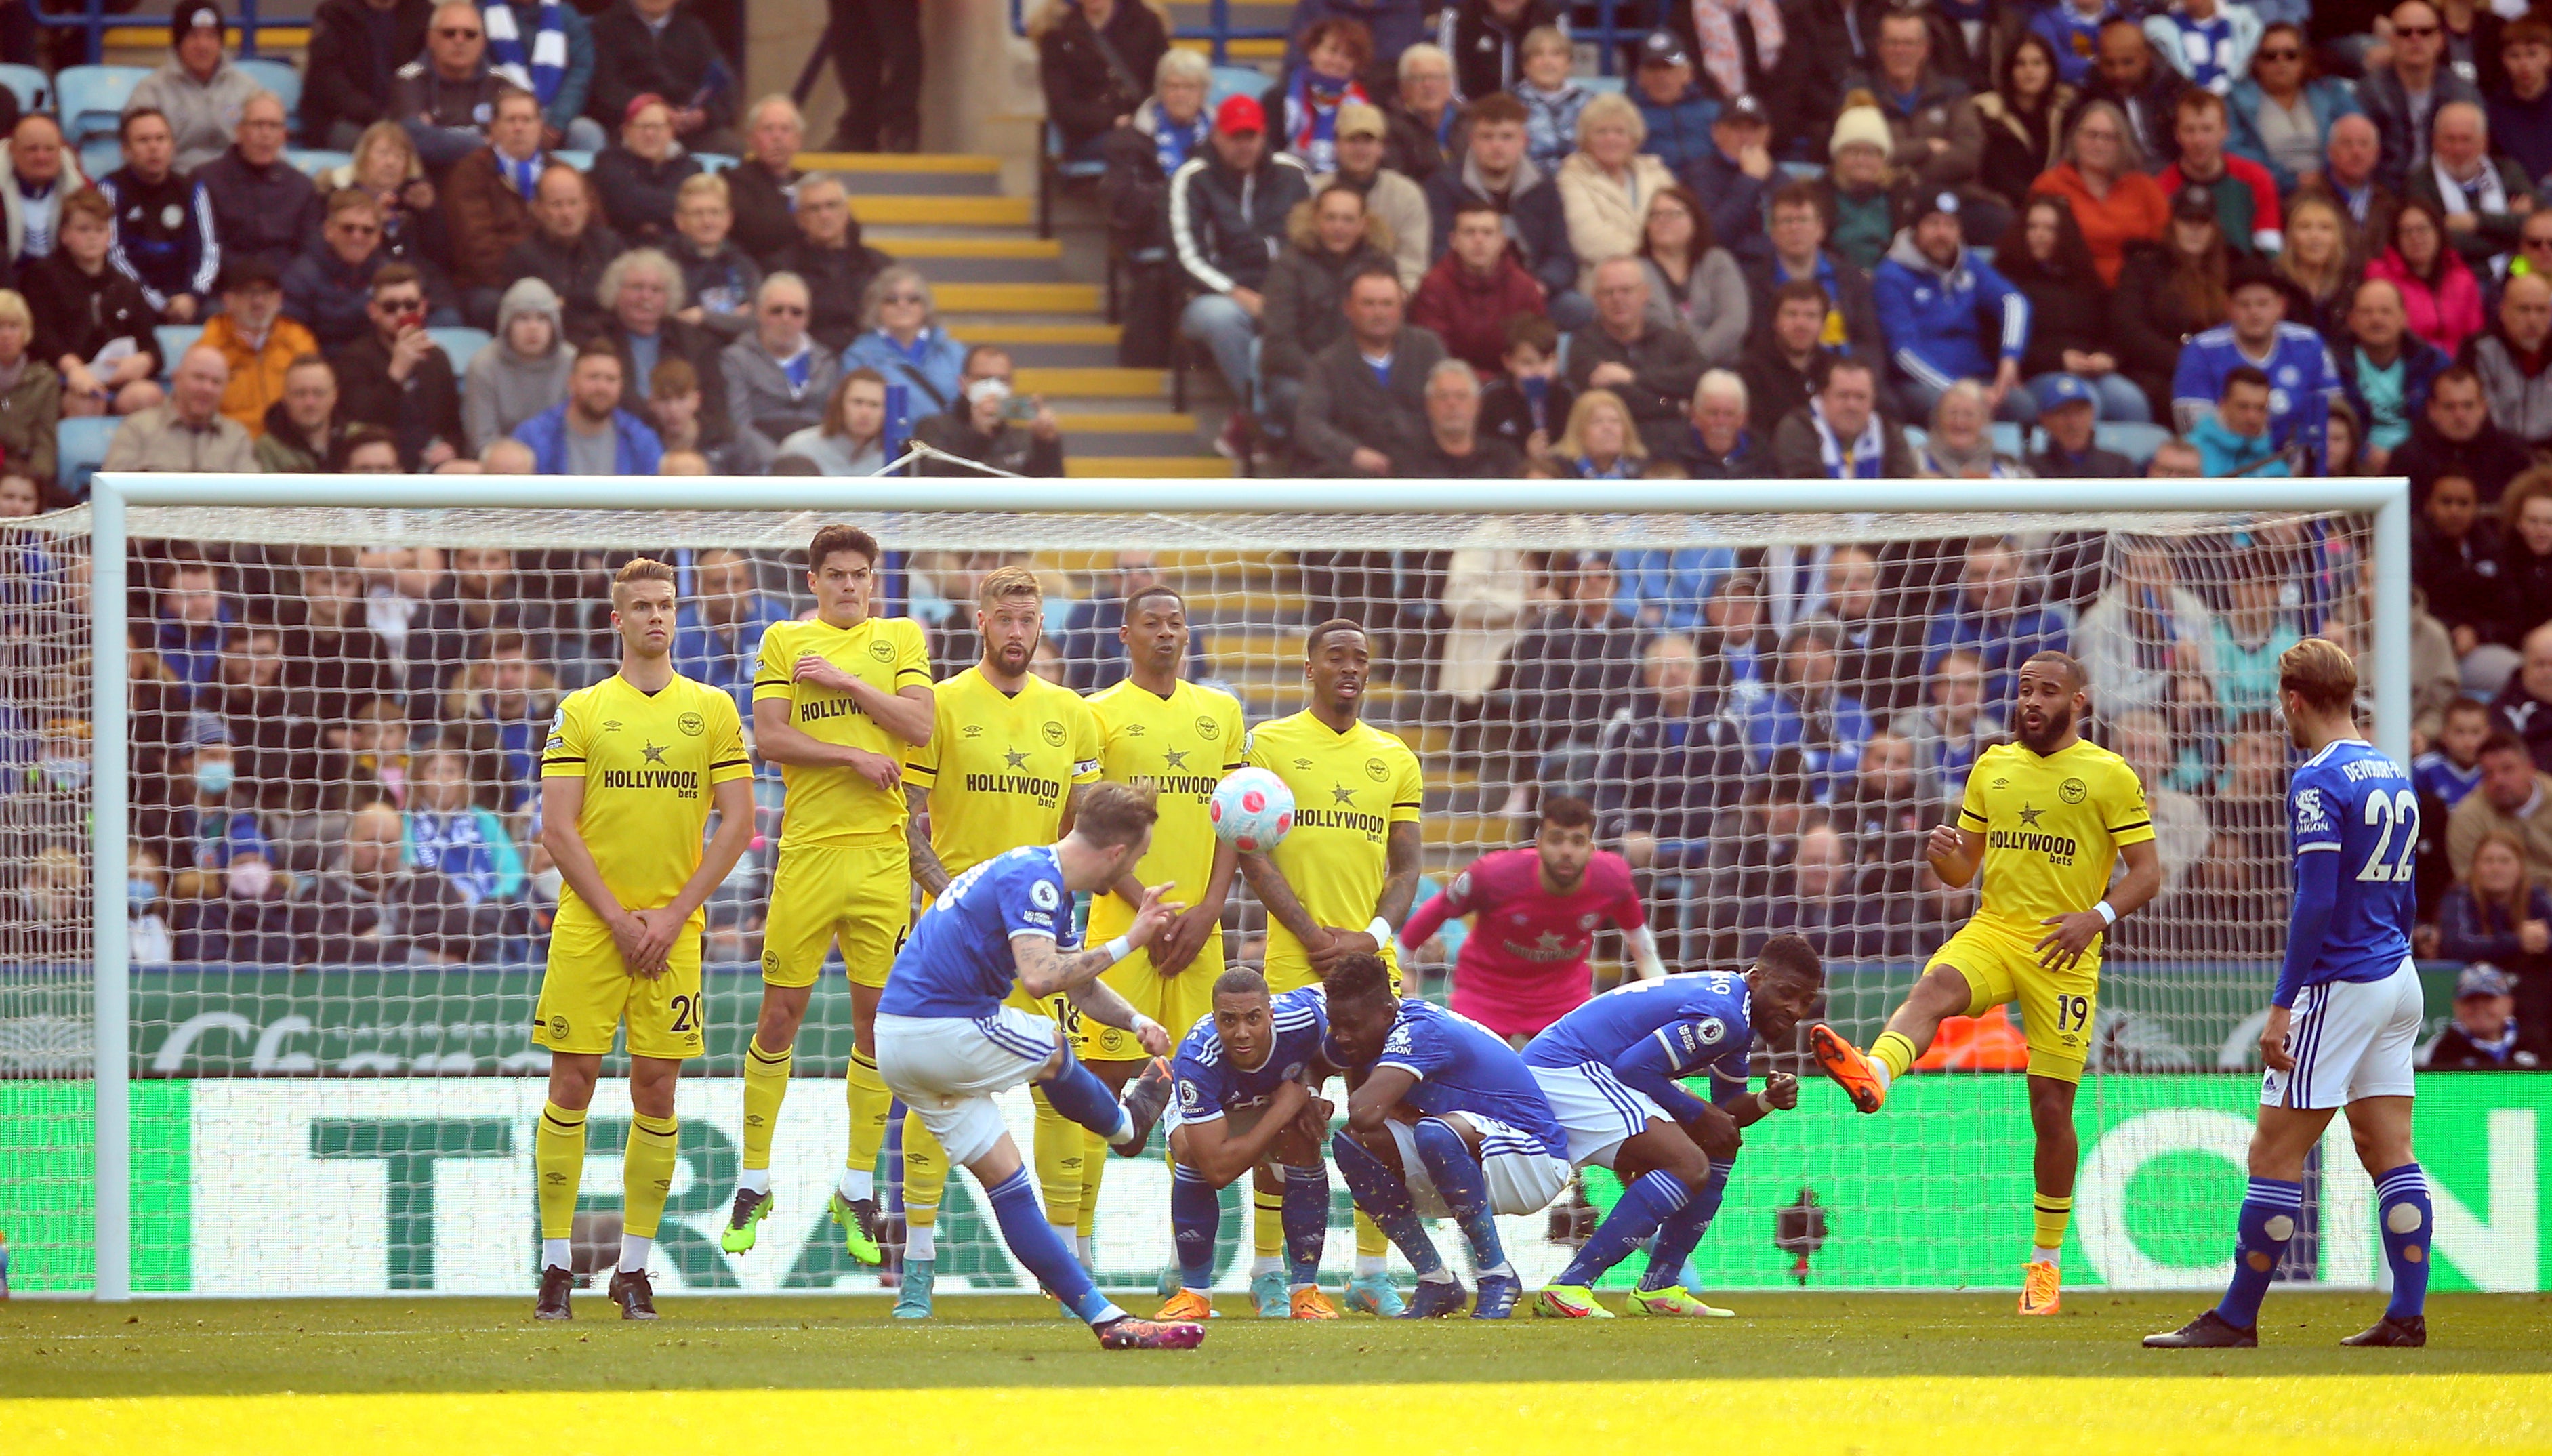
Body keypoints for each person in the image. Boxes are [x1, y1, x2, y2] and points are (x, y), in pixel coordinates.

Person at [1813, 651, 2158, 1316]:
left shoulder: (2108, 776)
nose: (2031, 700)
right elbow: (1962, 869)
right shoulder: (1991, 766)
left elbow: (2147, 871)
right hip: (1996, 928)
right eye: (2025, 688)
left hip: (2064, 948)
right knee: (1934, 987)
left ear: (2077, 703)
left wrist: (2096, 915)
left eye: (2047, 691)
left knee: (2051, 1111)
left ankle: (2047, 1266)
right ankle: (1876, 1074)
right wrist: (1945, 858)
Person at [2145, 640, 2434, 1351]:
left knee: (2272, 1153)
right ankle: (2405, 1314)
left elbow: (2314, 900)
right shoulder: (2391, 771)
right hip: (2397, 978)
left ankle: (2235, 1319)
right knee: (2387, 1147)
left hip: (2343, 981)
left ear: (2295, 699)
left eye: (2281, 702)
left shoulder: (2317, 778)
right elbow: (2404, 890)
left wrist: (2283, 1003)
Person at [867, 774, 1196, 1346]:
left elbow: (1075, 977)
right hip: (938, 1025)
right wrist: (1130, 939)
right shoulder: (1036, 879)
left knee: (1009, 1183)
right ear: (1117, 852)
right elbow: (1042, 978)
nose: (1135, 870)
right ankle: (1126, 1128)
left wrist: (1136, 1020)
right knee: (1051, 1042)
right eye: (1139, 856)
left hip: (903, 1041)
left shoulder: (1043, 879)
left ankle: (1107, 1320)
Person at [526, 557, 752, 1321]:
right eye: (642, 607)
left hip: (674, 931)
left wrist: (674, 912)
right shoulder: (582, 710)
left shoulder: (715, 708)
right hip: (592, 928)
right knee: (573, 1081)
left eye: (667, 605)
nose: (657, 616)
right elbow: (557, 828)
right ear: (616, 619)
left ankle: (633, 1269)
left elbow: (740, 824)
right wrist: (622, 920)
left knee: (657, 1087)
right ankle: (556, 1264)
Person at [709, 524, 933, 1267]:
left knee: (878, 1028)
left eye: (858, 575)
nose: (847, 585)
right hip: (806, 853)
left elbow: (920, 727)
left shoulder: (900, 637)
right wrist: (848, 751)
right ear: (813, 581)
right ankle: (752, 1180)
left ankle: (856, 1187)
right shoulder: (780, 641)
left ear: (873, 581)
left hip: (879, 858)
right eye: (834, 574)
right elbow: (768, 738)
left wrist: (846, 685)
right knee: (780, 1015)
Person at [878, 564, 1099, 1314]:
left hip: (1039, 936)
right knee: (928, 1095)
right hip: (953, 938)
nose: (1016, 631)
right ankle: (918, 1260)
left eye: (1028, 619)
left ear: (1042, 624)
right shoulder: (938, 705)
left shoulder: (1071, 713)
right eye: (1004, 618)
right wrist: (962, 905)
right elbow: (910, 822)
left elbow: (1083, 826)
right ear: (981, 621)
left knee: (1057, 1089)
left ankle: (1066, 1260)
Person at [1238, 617, 1424, 1314]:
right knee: (1280, 1118)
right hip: (1292, 960)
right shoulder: (1268, 743)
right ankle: (1267, 1270)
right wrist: (1314, 933)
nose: (1351, 667)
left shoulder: (1396, 756)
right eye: (1336, 657)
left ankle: (1372, 1272)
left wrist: (1371, 935)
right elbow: (1250, 850)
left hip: (1369, 969)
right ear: (1309, 667)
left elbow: (1406, 865)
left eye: (1362, 659)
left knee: (1378, 1119)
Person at [1063, 583, 1247, 1274]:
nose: (1166, 632)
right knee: (1103, 1086)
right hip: (1123, 923)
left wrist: (1208, 910)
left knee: (1202, 1090)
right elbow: (1087, 827)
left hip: (1202, 932)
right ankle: (1078, 1252)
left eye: (1176, 622)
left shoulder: (1222, 712)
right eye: (1151, 622)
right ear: (1124, 635)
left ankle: (1187, 1259)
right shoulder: (1096, 713)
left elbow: (1236, 819)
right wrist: (1149, 909)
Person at [1521, 942, 1817, 1319]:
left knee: (1721, 1141)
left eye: (1806, 1002)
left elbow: (1727, 1112)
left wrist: (1765, 1100)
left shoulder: (1737, 1015)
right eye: (1787, 994)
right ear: (1757, 980)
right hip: (1569, 1069)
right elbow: (1634, 1068)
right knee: (1689, 1164)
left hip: (1598, 1070)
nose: (1795, 1010)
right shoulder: (1724, 1015)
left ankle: (1658, 1287)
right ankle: (1569, 1287)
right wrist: (1700, 1113)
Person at [1320, 950, 1568, 1320]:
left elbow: (1365, 1111)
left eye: (1352, 1026)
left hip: (1534, 1160)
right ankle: (1435, 1280)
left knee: (1433, 1132)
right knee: (1352, 1144)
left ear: (1387, 1012)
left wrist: (1382, 1100)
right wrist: (1310, 1095)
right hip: (1467, 1153)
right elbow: (1326, 1073)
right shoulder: (1360, 1031)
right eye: (1334, 1025)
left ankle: (1496, 1274)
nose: (1341, 1036)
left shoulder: (1419, 1030)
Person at [1154, 970, 1339, 1322]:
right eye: (1228, 1021)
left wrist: (1311, 1092)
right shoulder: (1197, 1057)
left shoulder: (1306, 1015)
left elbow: (1345, 1008)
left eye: (1253, 1018)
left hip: (1269, 1096)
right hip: (1219, 1107)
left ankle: (1306, 1292)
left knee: (1305, 1135)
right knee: (1191, 1152)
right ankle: (1194, 1294)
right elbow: (1218, 1171)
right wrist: (1285, 1109)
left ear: (1271, 1015)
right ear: (1214, 1019)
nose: (1241, 1033)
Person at [1173, 96, 1315, 448]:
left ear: (1264, 135)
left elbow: (1312, 240)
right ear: (1217, 136)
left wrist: (1283, 295)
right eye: (1235, 136)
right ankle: (1267, 421)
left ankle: (1266, 421)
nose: (1243, 145)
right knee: (1223, 319)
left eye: (1250, 136)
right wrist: (1237, 293)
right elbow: (1186, 256)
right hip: (1215, 295)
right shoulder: (1193, 177)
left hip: (1287, 292)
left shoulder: (1293, 174)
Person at [1874, 192, 2033, 423]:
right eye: (1933, 224)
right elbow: (1903, 352)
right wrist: (1961, 392)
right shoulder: (1892, 275)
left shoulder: (1969, 264)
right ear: (1915, 229)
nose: (1942, 233)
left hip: (1977, 378)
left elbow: (2013, 301)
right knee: (1949, 409)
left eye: (1950, 225)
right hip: (1923, 384)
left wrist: (2009, 360)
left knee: (2023, 406)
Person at [2173, 258, 2343, 455]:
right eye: (2244, 304)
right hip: (2224, 465)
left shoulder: (2309, 343)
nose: (2254, 313)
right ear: (2229, 307)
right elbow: (2192, 425)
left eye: (2263, 304)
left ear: (2281, 306)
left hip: (2299, 463)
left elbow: (2333, 411)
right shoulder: (2201, 350)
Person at [1262, 183, 1397, 432]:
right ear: (1316, 221)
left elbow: (1392, 333)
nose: (1338, 227)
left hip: (1366, 378)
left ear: (1363, 225)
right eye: (1331, 218)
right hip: (1303, 377)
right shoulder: (1289, 265)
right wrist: (1329, 379)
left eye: (1348, 220)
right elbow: (1279, 344)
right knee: (1299, 399)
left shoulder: (1382, 265)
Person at [2000, 195, 2143, 421]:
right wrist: (2059, 360)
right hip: (2036, 375)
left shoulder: (2085, 278)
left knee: (2130, 401)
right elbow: (1997, 342)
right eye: (2032, 227)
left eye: (2050, 229)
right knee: (2083, 400)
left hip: (2091, 371)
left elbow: (2113, 330)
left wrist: (2107, 356)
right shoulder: (2005, 279)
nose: (2039, 235)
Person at [1293, 266, 1444, 476]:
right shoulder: (1327, 364)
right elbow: (1309, 425)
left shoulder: (1428, 348)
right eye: (1368, 304)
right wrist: (1353, 453)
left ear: (1402, 308)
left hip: (1424, 471)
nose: (1379, 313)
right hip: (1355, 479)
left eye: (1387, 304)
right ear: (1348, 308)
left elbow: (1449, 404)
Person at [26, 186, 161, 419]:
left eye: (100, 229)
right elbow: (40, 336)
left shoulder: (126, 285)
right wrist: (73, 369)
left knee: (149, 396)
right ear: (64, 235)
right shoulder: (41, 277)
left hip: (117, 381)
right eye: (83, 229)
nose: (92, 236)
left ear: (110, 235)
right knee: (89, 401)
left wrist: (144, 361)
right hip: (63, 380)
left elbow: (151, 345)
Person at [1564, 257, 1706, 458]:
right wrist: (1674, 405)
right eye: (1608, 292)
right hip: (1617, 453)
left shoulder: (1671, 339)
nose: (1617, 299)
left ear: (1645, 294)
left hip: (1680, 449)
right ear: (1595, 298)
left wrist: (1634, 378)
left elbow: (1699, 376)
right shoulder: (1584, 346)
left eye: (1626, 290)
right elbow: (1619, 402)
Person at [335, 265, 465, 470]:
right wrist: (396, 373)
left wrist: (451, 447)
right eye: (390, 307)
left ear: (423, 308)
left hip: (432, 468)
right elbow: (360, 426)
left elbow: (454, 427)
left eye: (410, 305)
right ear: (373, 311)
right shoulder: (354, 359)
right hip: (379, 469)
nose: (402, 314)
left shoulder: (437, 358)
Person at [2031, 98, 2168, 289]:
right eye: (2091, 135)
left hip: (2137, 290)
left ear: (2123, 144)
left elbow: (2166, 243)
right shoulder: (2049, 186)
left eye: (2109, 137)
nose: (2099, 144)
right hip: (2069, 288)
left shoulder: (2144, 187)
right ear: (2074, 138)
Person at [1742, 182, 1887, 365]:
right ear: (1773, 232)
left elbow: (1870, 344)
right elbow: (1756, 347)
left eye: (1803, 220)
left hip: (1844, 376)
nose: (1795, 228)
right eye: (1786, 221)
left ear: (1820, 229)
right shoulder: (1754, 282)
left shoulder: (1850, 277)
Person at [443, 87, 552, 324]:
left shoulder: (560, 173)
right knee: (492, 306)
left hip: (555, 279)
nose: (519, 128)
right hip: (492, 284)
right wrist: (530, 288)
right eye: (511, 120)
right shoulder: (470, 172)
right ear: (493, 127)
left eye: (527, 120)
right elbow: (477, 248)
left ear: (540, 126)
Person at [99, 109, 218, 323]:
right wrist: (158, 302)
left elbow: (209, 251)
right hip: (135, 295)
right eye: (143, 140)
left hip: (187, 296)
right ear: (126, 150)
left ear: (172, 146)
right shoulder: (111, 189)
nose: (154, 147)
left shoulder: (193, 188)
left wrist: (193, 297)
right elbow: (113, 254)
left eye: (161, 139)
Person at [1408, 196, 1545, 377]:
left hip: (1512, 387)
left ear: (1502, 241)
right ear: (1453, 240)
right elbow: (1435, 357)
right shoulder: (1434, 287)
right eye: (1469, 232)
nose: (1478, 240)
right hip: (1454, 386)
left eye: (1487, 233)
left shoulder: (1524, 287)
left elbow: (1537, 350)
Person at [125, 0, 266, 174]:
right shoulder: (151, 90)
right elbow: (136, 153)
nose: (203, 45)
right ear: (178, 43)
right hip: (177, 185)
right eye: (193, 36)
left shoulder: (246, 88)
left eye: (211, 36)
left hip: (238, 185)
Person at [586, 0, 741, 157]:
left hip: (687, 129)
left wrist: (704, 114)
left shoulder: (694, 29)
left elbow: (724, 83)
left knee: (729, 146)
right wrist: (652, 110)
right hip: (629, 125)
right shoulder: (605, 27)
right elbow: (603, 87)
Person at [721, 272, 840, 471]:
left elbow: (833, 423)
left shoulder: (826, 361)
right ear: (759, 313)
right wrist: (783, 464)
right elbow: (739, 425)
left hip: (818, 464)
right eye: (776, 311)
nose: (786, 318)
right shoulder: (736, 359)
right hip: (761, 464)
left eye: (796, 312)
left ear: (807, 318)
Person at [2228, 22, 2363, 195]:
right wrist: (2289, 181)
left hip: (2332, 188)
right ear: (2258, 63)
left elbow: (2358, 134)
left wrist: (2329, 176)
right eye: (2270, 56)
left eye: (2290, 55)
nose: (2280, 61)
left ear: (2304, 60)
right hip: (2267, 191)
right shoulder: (2237, 100)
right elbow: (2233, 150)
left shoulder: (2331, 92)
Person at [196, 92, 321, 279]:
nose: (266, 134)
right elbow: (205, 250)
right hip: (227, 288)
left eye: (274, 126)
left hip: (286, 290)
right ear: (239, 131)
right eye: (258, 125)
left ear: (284, 135)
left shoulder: (302, 187)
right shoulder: (206, 181)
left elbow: (309, 251)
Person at [2362, 0, 2481, 194]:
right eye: (2405, 32)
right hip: (2385, 196)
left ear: (2440, 41)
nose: (2415, 39)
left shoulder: (2463, 93)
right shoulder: (2370, 91)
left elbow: (2477, 157)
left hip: (2450, 194)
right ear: (2391, 40)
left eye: (2425, 32)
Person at [2337, 277, 2451, 472]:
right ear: (2352, 320)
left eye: (2386, 311)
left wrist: (2404, 456)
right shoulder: (2335, 363)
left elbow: (2444, 421)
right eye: (2367, 312)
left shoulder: (2432, 361)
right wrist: (2363, 453)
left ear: (2403, 318)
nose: (2376, 319)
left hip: (2421, 463)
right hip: (2356, 465)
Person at [1032, 0, 1169, 162]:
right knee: (1136, 147)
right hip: (1090, 135)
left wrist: (1141, 119)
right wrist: (1113, 120)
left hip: (1146, 123)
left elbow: (1164, 81)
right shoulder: (1058, 36)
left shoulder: (1146, 23)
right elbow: (1062, 106)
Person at [1315, 101, 1428, 291]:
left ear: (1382, 147)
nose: (1360, 149)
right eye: (1352, 140)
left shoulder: (1407, 194)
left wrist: (1393, 301)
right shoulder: (1313, 189)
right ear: (1336, 145)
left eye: (1367, 141)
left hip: (1386, 301)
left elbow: (1412, 266)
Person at [503, 164, 623, 344]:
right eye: (557, 205)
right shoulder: (523, 257)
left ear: (587, 205)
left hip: (611, 344)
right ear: (538, 209)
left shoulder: (609, 246)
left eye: (573, 203)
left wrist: (568, 301)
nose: (567, 213)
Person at [2406, 101, 2533, 267]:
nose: (2458, 149)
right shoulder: (2419, 182)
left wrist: (2476, 221)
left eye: (2466, 139)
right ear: (2435, 141)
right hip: (2451, 277)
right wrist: (2510, 232)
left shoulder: (2507, 172)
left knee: (2530, 284)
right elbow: (2441, 242)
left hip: (2515, 267)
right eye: (2450, 139)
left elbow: (2535, 224)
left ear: (2483, 142)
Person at [2157, 89, 2282, 254]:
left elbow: (2270, 249)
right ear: (2177, 134)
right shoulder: (2161, 189)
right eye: (2189, 130)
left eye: (2207, 129)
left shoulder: (2256, 178)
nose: (2198, 140)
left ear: (2225, 130)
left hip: (2245, 274)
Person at [198, 258, 313, 436]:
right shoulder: (210, 346)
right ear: (228, 301)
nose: (258, 301)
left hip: (287, 442)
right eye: (248, 293)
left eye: (266, 292)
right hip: (229, 443)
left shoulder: (299, 340)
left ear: (279, 299)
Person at [1634, 183, 1744, 369]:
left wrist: (1694, 360)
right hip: (1658, 370)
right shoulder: (1634, 270)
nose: (1663, 220)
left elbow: (1734, 322)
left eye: (1673, 214)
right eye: (1655, 215)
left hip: (1718, 368)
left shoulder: (1717, 262)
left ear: (1695, 220)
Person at [912, 344, 1064, 478]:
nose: (993, 387)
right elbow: (937, 481)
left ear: (1011, 386)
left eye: (1002, 380)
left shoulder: (1021, 438)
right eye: (983, 378)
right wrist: (977, 435)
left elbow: (1049, 492)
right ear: (963, 384)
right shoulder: (933, 428)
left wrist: (1046, 444)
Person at [2392, 363, 2534, 502]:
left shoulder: (2513, 455)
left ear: (2483, 407)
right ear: (2432, 410)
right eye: (2449, 406)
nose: (2460, 415)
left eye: (2468, 405)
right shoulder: (2407, 459)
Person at [514, 341, 662, 474]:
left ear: (621, 386)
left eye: (610, 379)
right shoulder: (533, 437)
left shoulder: (641, 440)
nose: (602, 387)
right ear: (572, 382)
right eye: (593, 377)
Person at [390, 0, 508, 167]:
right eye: (449, 33)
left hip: (484, 179)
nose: (459, 40)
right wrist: (484, 143)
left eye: (470, 34)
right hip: (430, 180)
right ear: (430, 38)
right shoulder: (409, 79)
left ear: (483, 42)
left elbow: (516, 139)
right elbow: (412, 136)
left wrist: (437, 135)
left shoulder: (501, 83)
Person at [103, 345, 257, 472]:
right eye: (199, 377)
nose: (207, 388)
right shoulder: (137, 429)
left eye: (216, 382)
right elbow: (113, 493)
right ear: (177, 379)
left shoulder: (237, 437)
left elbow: (253, 499)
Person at [304, 0, 434, 150]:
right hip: (344, 120)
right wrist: (380, 117)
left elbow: (426, 72)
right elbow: (327, 81)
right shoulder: (335, 13)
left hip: (405, 119)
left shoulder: (423, 14)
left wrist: (412, 114)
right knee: (385, 148)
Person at [482, 0, 607, 154]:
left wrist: (556, 123)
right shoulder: (483, 14)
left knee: (587, 133)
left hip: (554, 113)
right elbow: (483, 71)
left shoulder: (565, 15)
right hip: (504, 114)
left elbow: (580, 72)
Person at [462, 276, 569, 453]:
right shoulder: (483, 366)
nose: (533, 327)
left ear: (555, 325)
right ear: (506, 324)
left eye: (542, 318)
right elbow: (482, 441)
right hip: (501, 469)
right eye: (523, 318)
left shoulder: (572, 362)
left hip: (558, 467)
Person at [840, 266, 965, 416]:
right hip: (890, 439)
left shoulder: (954, 352)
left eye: (913, 299)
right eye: (891, 300)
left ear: (925, 306)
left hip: (945, 438)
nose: (902, 305)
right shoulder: (858, 356)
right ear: (876, 307)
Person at [1977, 34, 2078, 215]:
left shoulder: (2065, 111)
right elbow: (1998, 177)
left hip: (2058, 204)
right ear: (2009, 70)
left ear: (2050, 69)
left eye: (2037, 63)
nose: (2029, 71)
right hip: (2006, 206)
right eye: (2020, 64)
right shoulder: (1991, 115)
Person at [1771, 356, 1915, 479]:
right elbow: (1802, 493)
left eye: (1860, 397)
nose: (1851, 405)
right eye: (1843, 396)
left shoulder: (1889, 431)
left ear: (1873, 400)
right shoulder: (1797, 428)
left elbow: (1905, 486)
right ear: (1823, 396)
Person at [590, 96, 702, 249]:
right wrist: (674, 204)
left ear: (671, 131)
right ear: (626, 130)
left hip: (678, 253)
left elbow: (694, 211)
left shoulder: (691, 167)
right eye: (642, 126)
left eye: (657, 127)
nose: (650, 134)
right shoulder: (608, 163)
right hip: (621, 251)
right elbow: (626, 206)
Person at [1676, 93, 1775, 262]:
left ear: (1767, 134)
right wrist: (1750, 180)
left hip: (1772, 270)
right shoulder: (1700, 175)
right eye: (1736, 128)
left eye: (1753, 129)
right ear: (1716, 132)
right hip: (1722, 268)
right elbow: (1713, 237)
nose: (1745, 137)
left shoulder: (1780, 177)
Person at [2082, 18, 2195, 166]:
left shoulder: (2175, 89)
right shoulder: (2091, 96)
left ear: (2146, 58)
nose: (2119, 73)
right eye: (2109, 64)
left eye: (2128, 62)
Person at [2446, 729, 2552, 881]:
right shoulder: (2468, 818)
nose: (2498, 780)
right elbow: (2469, 884)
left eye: (2507, 769)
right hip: (2500, 903)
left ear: (2530, 769)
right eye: (2488, 773)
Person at [668, 172, 759, 344]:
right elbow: (672, 324)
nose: (707, 221)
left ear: (728, 219)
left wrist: (703, 316)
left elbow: (758, 322)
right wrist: (732, 319)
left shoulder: (744, 265)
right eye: (697, 214)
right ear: (680, 221)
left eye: (715, 212)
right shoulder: (665, 267)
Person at [2465, 270, 2552, 445]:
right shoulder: (2480, 350)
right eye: (2524, 309)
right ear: (2503, 312)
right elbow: (2482, 419)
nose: (2533, 319)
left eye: (2541, 310)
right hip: (2497, 454)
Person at [1737, 280, 1832, 438]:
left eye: (1811, 316)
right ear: (1775, 321)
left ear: (1823, 324)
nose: (1801, 324)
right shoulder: (1750, 372)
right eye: (1791, 314)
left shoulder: (1833, 371)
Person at [727, 95, 805, 266]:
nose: (777, 137)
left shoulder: (810, 182)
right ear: (751, 139)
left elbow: (848, 227)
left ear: (798, 140)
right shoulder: (735, 180)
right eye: (768, 129)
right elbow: (760, 232)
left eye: (785, 129)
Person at [1412, 357, 1523, 476]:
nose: (1452, 404)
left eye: (1461, 396)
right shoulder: (1410, 458)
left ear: (1477, 404)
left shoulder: (1503, 458)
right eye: (1443, 396)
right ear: (1429, 405)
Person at [2423, 963, 2545, 1068]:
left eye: (2488, 999)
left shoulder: (2535, 1042)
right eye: (2470, 1000)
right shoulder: (2441, 1049)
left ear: (2509, 1003)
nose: (2479, 1007)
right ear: (2456, 1006)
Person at [2, 115, 84, 268]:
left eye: (50, 149)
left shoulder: (82, 191)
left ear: (61, 151)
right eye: (32, 149)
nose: (42, 157)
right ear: (12, 151)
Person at [777, 367, 890, 475]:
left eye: (874, 405)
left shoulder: (896, 457)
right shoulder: (799, 448)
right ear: (839, 404)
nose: (865, 413)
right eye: (858, 402)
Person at [0, 290, 57, 489]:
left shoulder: (45, 380)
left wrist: (33, 481)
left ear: (27, 332)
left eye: (13, 327)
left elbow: (45, 442)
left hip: (25, 474)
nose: (6, 335)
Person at [255, 354, 352, 471]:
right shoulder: (267, 449)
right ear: (285, 397)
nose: (310, 402)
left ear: (335, 395)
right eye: (300, 393)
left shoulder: (357, 440)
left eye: (319, 393)